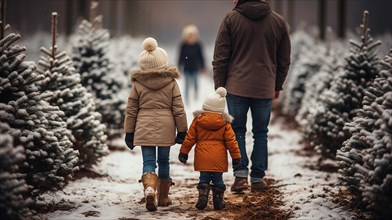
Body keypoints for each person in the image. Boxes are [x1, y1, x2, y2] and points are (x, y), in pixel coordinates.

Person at [212, 0, 291, 193]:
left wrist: (220, 86)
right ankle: (257, 178)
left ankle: (240, 176)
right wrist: (276, 84)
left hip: (236, 86)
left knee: (237, 130)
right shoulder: (278, 22)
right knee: (261, 133)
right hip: (265, 87)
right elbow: (284, 60)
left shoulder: (231, 19)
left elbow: (220, 57)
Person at [124, 37, 188, 211]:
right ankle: (164, 197)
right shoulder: (172, 83)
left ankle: (150, 189)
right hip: (166, 126)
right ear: (163, 63)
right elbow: (178, 109)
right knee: (164, 161)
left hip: (143, 127)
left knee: (149, 161)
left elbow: (131, 110)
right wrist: (182, 130)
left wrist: (129, 132)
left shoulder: (137, 84)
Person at [178, 87, 241, 210]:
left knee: (204, 178)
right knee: (218, 179)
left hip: (202, 157)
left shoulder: (198, 121)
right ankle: (218, 201)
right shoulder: (225, 123)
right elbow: (231, 142)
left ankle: (203, 193)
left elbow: (190, 138)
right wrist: (236, 158)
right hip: (219, 158)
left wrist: (183, 152)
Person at [178, 24, 206, 104]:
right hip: (186, 68)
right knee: (186, 85)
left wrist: (203, 67)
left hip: (195, 67)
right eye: (189, 35)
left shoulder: (198, 45)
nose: (190, 37)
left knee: (196, 83)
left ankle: (196, 97)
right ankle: (186, 100)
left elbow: (201, 56)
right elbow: (180, 56)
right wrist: (179, 66)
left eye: (192, 35)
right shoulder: (183, 45)